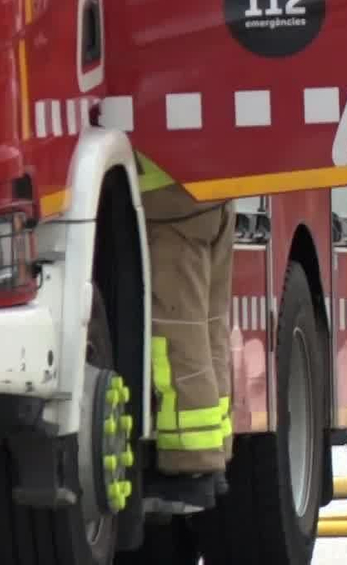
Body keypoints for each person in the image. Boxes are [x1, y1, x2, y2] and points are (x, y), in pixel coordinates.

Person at [136, 154, 236, 514]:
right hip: (208, 190)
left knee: (176, 338)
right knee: (208, 332)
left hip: (166, 199)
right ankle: (212, 457)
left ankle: (190, 465)